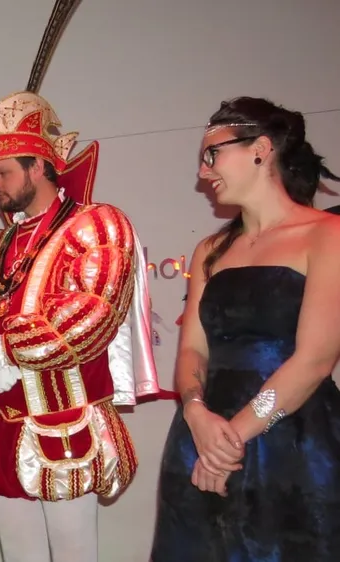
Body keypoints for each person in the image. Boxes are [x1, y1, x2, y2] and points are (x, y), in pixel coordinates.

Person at [0, 89, 159, 562]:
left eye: (3, 172)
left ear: (38, 167)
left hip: (64, 424)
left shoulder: (95, 227)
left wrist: (6, 352)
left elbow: (91, 312)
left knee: (74, 554)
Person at [151, 96, 340, 561]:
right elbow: (192, 351)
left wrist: (231, 439)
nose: (203, 172)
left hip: (290, 441)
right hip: (201, 437)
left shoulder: (327, 235)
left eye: (212, 154)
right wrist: (196, 415)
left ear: (260, 149)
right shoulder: (210, 249)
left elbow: (315, 360)